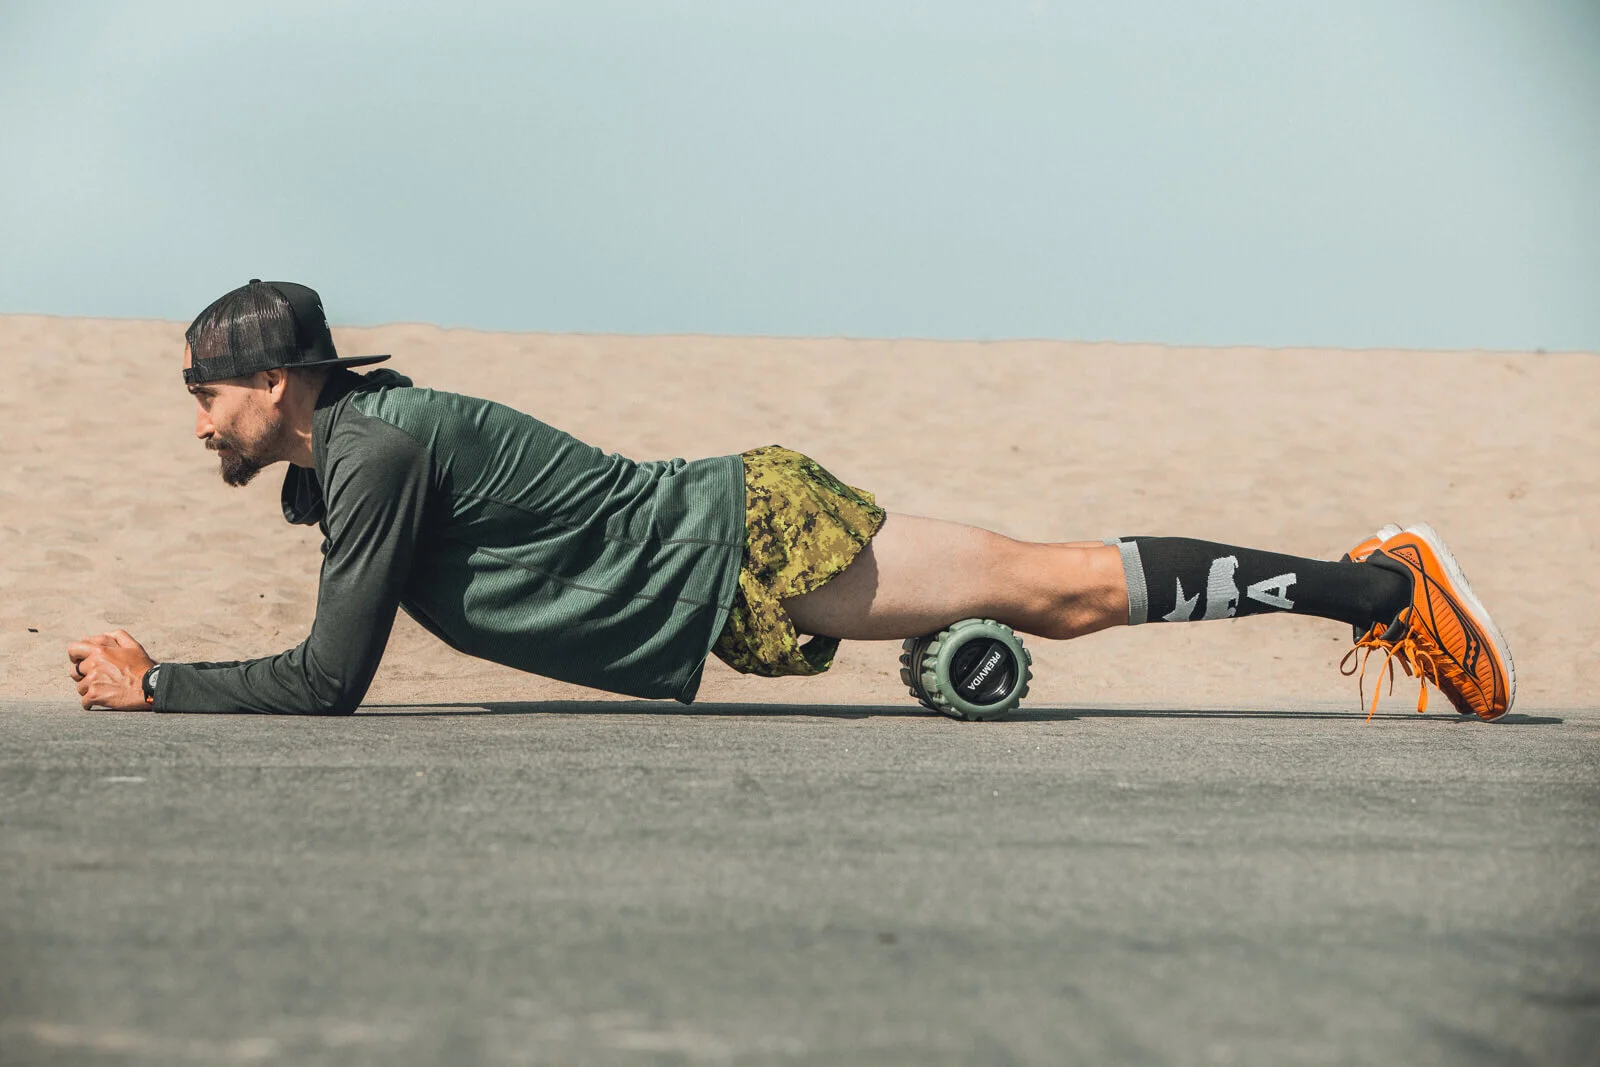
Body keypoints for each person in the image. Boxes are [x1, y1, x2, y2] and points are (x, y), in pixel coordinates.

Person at [67, 280, 1515, 721]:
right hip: (717, 555)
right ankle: (1374, 586)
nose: (197, 418)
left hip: (741, 543)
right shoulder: (356, 453)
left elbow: (330, 679)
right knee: (1051, 593)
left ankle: (1384, 589)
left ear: (276, 384)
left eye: (208, 392)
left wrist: (161, 683)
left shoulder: (373, 454)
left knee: (1056, 588)